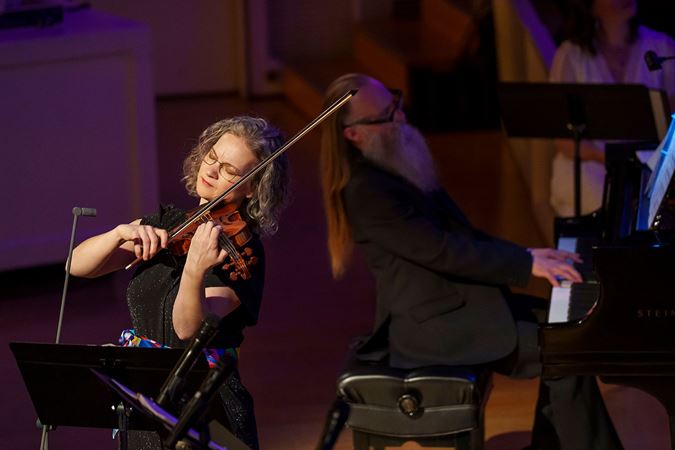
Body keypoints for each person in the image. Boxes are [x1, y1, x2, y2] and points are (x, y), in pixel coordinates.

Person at [320, 74, 623, 450]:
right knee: (565, 349)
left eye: (395, 102)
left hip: (456, 305)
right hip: (434, 328)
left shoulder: (393, 167)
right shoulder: (367, 193)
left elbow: (462, 235)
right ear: (354, 134)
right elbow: (442, 250)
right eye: (387, 114)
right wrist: (524, 264)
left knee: (567, 333)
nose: (401, 116)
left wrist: (528, 255)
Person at [70, 116, 289, 450]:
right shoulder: (167, 224)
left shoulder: (239, 252)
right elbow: (76, 265)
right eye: (212, 156)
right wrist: (118, 234)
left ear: (253, 188)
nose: (212, 170)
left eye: (229, 170)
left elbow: (187, 330)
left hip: (204, 404)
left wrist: (194, 270)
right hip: (146, 394)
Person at [549, 0, 675, 217]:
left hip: (649, 164)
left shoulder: (661, 46)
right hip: (591, 164)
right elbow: (563, 140)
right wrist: (608, 158)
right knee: (609, 201)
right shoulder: (571, 55)